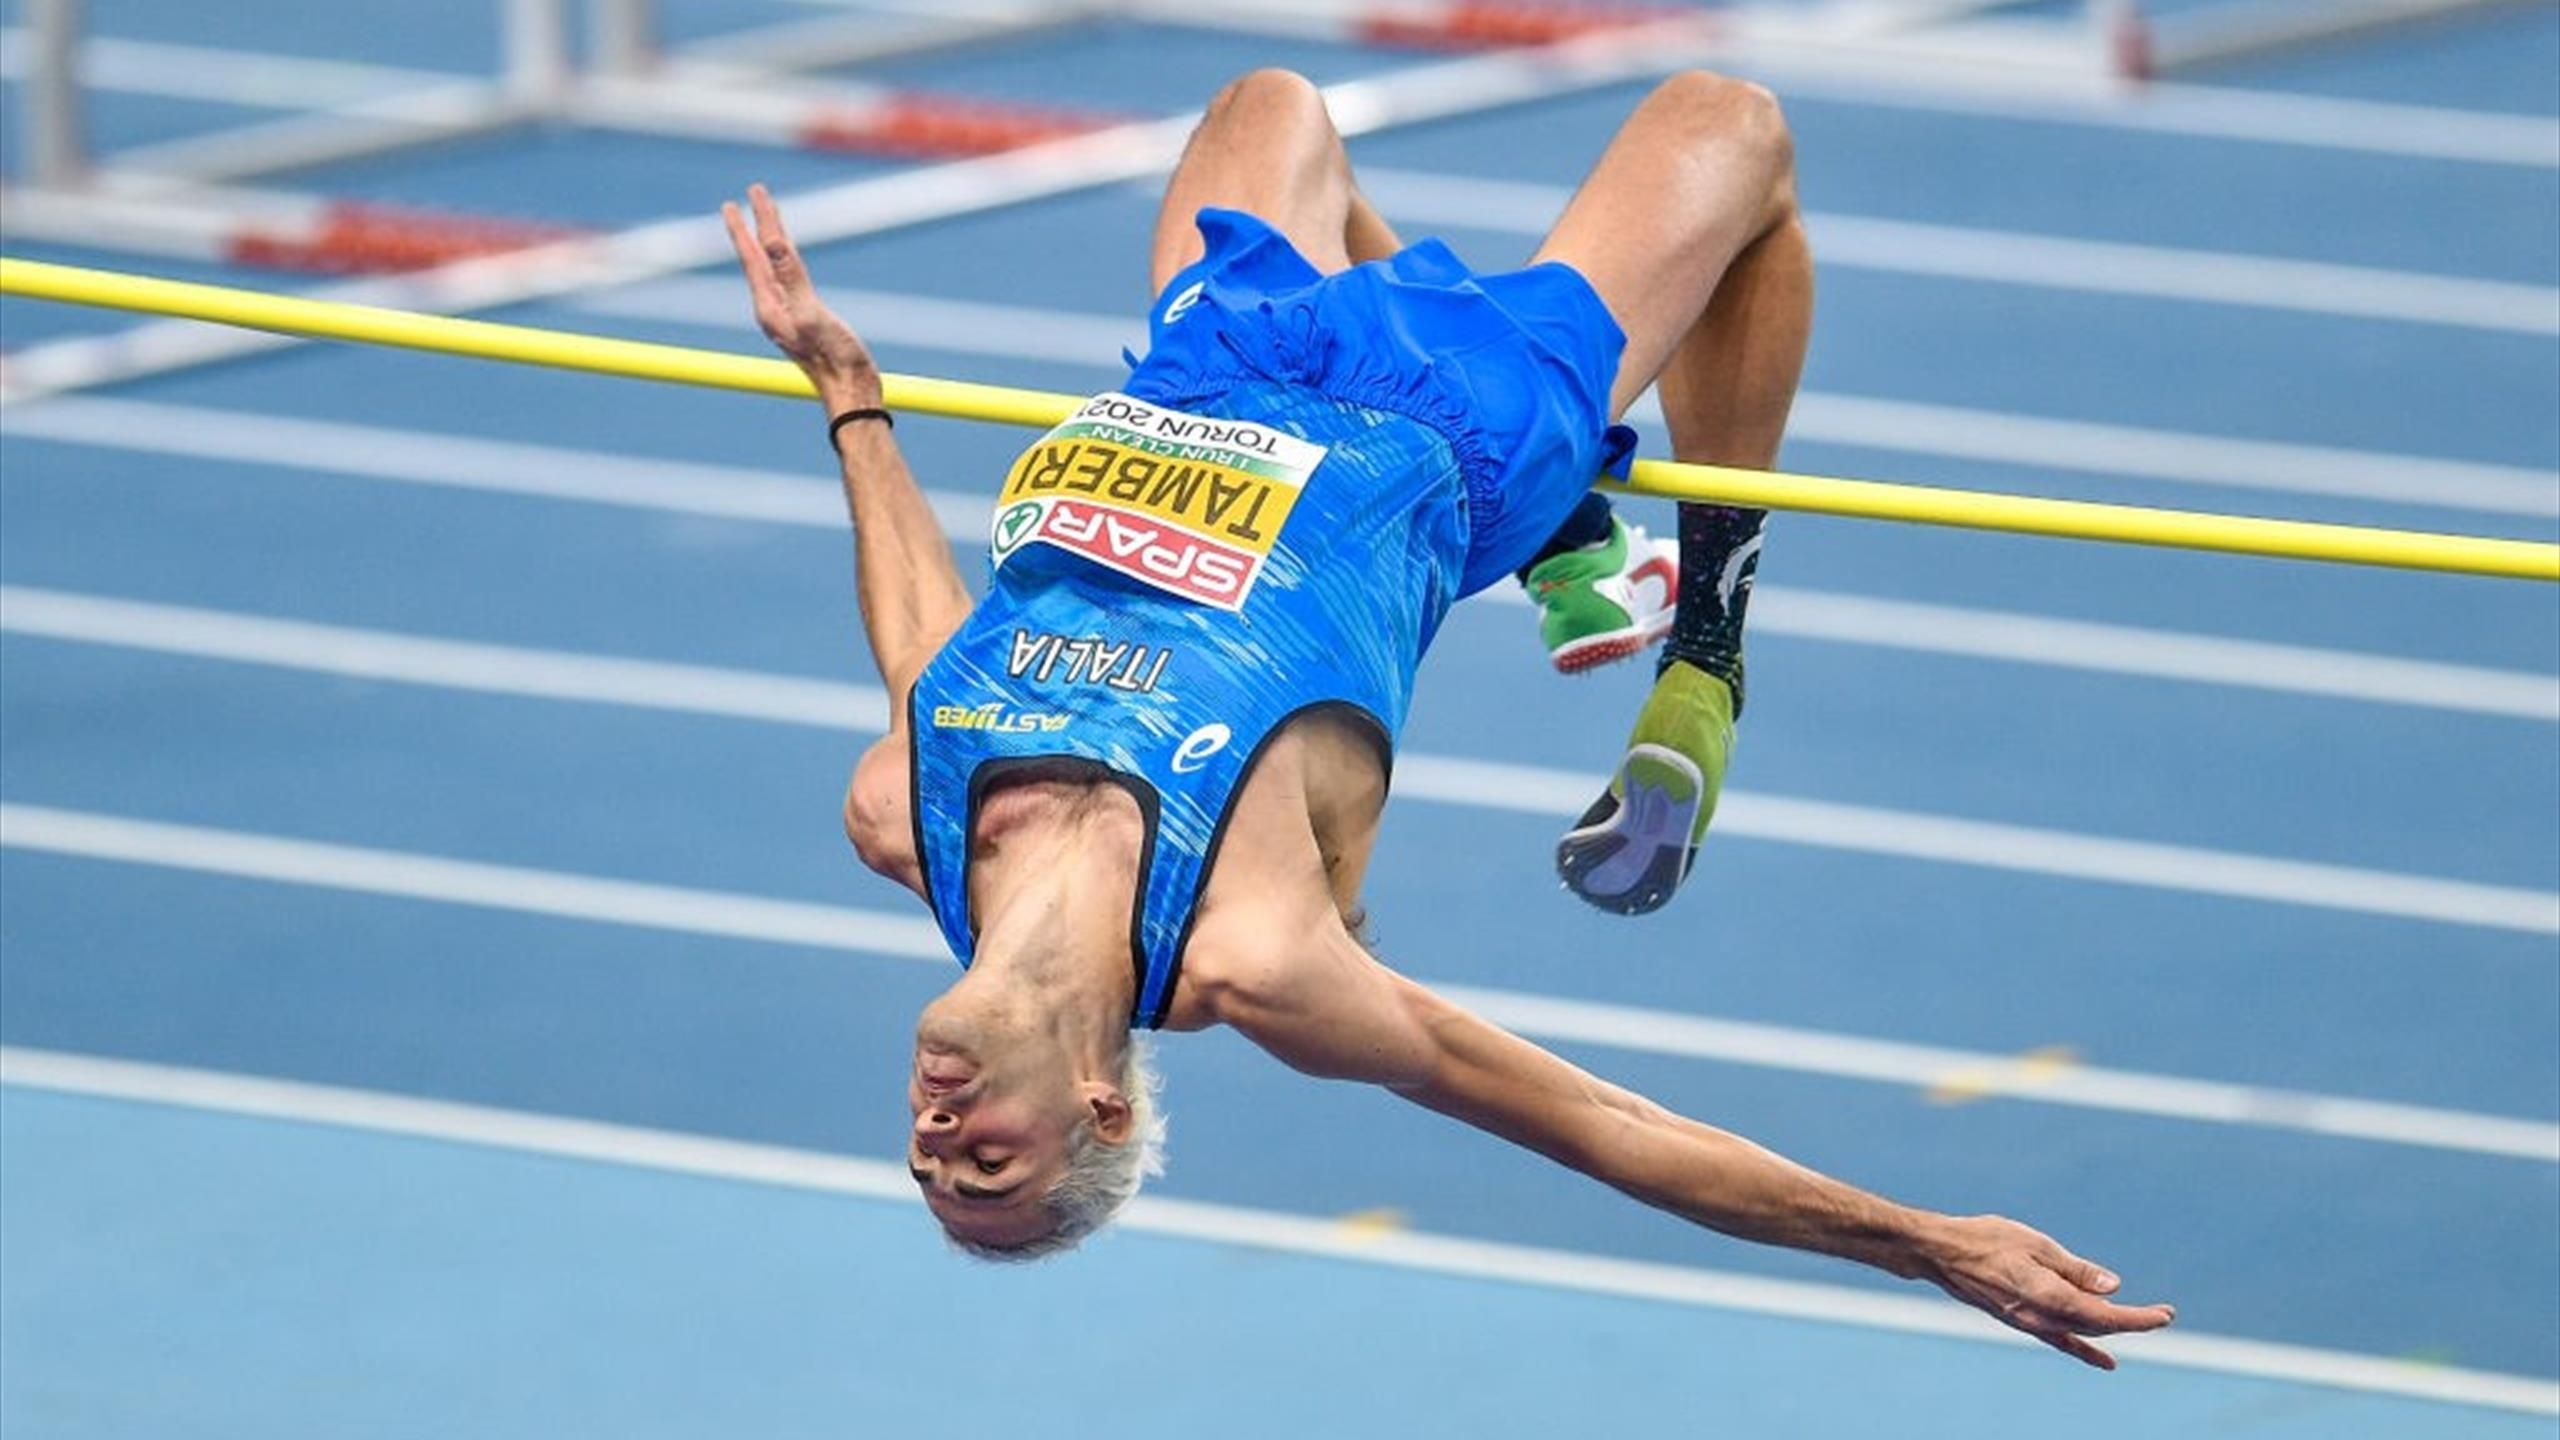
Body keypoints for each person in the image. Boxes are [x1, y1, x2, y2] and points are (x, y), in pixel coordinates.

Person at [724, 67, 2175, 1367]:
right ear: (1101, 1104)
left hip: (1207, 372)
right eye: (983, 1165)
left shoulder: (901, 811)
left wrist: (848, 395)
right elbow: (1610, 1129)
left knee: (1269, 106)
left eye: (926, 1166)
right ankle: (1706, 633)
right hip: (1450, 431)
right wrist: (1924, 1240)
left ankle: (1580, 545)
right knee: (1734, 130)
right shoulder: (1259, 952)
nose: (932, 1137)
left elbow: (926, 642)